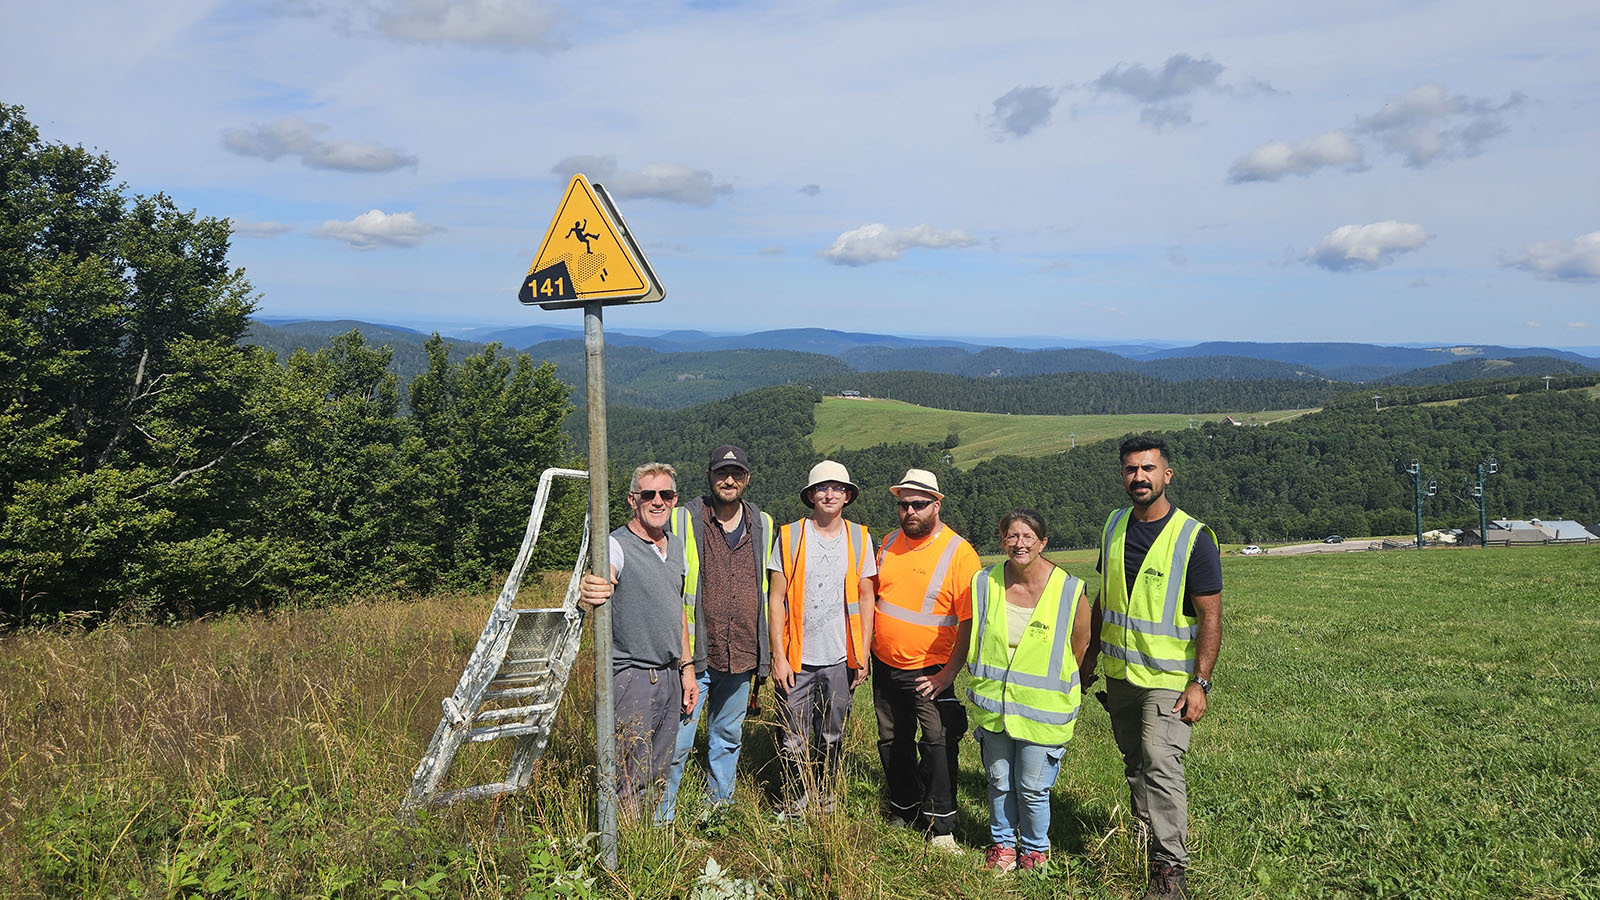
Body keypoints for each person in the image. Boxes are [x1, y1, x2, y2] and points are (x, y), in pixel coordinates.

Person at [1081, 436, 1223, 900]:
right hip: (1120, 674)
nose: (1138, 477)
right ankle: (1145, 837)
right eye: (1130, 470)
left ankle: (1169, 870)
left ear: (1167, 475)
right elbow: (1109, 596)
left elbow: (1211, 615)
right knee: (1136, 762)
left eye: (1148, 469)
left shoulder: (1193, 537)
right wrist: (1088, 658)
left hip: (1167, 680)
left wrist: (1200, 681)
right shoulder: (1114, 525)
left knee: (1161, 761)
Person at [967, 509, 1092, 874]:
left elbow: (1081, 642)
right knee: (999, 781)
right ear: (1002, 539)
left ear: (1043, 543)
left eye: (1027, 537)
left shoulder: (1068, 588)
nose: (1019, 543)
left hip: (1042, 708)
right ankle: (1003, 846)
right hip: (995, 707)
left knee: (1033, 788)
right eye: (1012, 536)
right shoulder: (984, 582)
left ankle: (1035, 851)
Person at [660, 445, 775, 823]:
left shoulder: (764, 523)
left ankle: (718, 812)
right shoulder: (683, 519)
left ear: (747, 479)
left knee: (727, 737)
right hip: (693, 655)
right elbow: (640, 542)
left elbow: (771, 590)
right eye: (722, 473)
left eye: (737, 473)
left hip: (741, 653)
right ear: (708, 476)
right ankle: (663, 817)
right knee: (677, 741)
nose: (729, 480)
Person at [578, 463, 700, 817]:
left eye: (666, 494)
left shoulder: (674, 547)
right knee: (628, 773)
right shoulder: (616, 545)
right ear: (633, 500)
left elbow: (677, 612)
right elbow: (602, 577)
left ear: (675, 500)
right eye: (649, 494)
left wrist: (687, 670)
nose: (658, 501)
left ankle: (644, 843)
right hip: (632, 676)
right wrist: (593, 586)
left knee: (658, 769)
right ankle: (622, 851)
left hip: (670, 675)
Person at [871, 468, 981, 852]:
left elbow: (968, 623)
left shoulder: (959, 553)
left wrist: (948, 674)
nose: (909, 512)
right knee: (892, 739)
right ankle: (903, 806)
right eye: (903, 505)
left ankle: (941, 825)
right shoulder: (888, 543)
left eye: (918, 504)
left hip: (930, 671)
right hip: (884, 665)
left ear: (937, 505)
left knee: (937, 742)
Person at [767, 460, 876, 817]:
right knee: (794, 739)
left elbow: (865, 597)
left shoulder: (860, 537)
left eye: (837, 488)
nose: (830, 494)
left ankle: (825, 800)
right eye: (822, 488)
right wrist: (778, 657)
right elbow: (776, 598)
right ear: (811, 495)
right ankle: (797, 803)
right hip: (797, 657)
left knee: (832, 735)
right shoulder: (790, 535)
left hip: (840, 657)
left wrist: (861, 654)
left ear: (847, 496)